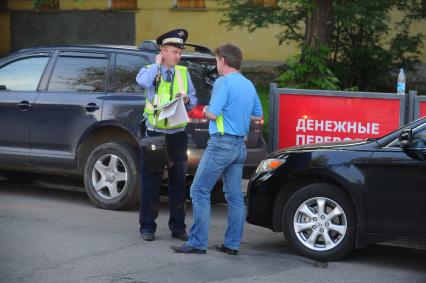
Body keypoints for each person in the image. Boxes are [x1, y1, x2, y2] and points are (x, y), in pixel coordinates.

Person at [171, 43, 263, 255]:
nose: (216, 65)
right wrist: (235, 116)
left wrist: (204, 109)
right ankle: (232, 245)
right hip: (240, 146)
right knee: (235, 197)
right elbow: (257, 114)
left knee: (198, 190)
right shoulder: (248, 84)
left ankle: (197, 243)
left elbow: (212, 114)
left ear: (222, 60)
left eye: (216, 61)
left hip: (221, 144)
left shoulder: (223, 82)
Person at [136, 29, 197, 241]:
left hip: (177, 135)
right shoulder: (149, 70)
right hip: (155, 134)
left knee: (179, 183)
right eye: (174, 52)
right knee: (150, 183)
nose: (178, 56)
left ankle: (178, 228)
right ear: (163, 51)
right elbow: (143, 83)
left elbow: (194, 97)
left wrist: (188, 101)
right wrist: (157, 64)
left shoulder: (183, 72)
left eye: (179, 53)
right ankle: (147, 227)